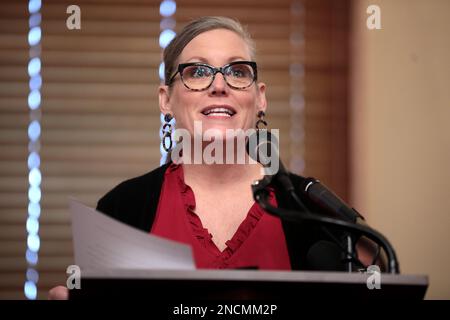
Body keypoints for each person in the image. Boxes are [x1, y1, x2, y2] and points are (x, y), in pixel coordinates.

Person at [49, 16, 378, 299]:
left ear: (259, 98)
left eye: (236, 71)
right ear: (166, 100)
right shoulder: (122, 208)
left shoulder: (315, 213)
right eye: (197, 72)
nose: (219, 85)